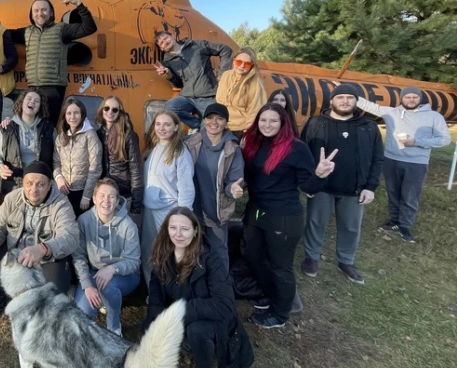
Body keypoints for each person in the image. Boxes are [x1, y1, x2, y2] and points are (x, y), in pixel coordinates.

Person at [241, 103, 337, 328]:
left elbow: (308, 187)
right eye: (263, 120)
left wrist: (320, 174)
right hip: (257, 210)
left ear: (283, 123)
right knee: (253, 255)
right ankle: (269, 294)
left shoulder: (296, 148)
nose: (267, 125)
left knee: (280, 265)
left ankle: (281, 313)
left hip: (282, 215)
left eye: (273, 121)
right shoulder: (254, 143)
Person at [143, 207, 254, 368]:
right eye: (173, 228)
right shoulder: (162, 257)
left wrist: (180, 312)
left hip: (216, 319)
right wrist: (155, 322)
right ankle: (185, 348)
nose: (178, 234)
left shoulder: (211, 260)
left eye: (185, 229)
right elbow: (156, 298)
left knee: (196, 330)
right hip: (185, 316)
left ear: (195, 231)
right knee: (149, 327)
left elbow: (225, 305)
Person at [0, 161, 79, 324]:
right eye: (29, 183)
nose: (33, 189)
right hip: (15, 250)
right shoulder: (11, 198)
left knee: (55, 292)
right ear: (23, 183)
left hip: (46, 256)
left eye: (40, 184)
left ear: (50, 185)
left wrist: (43, 248)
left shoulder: (61, 204)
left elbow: (70, 237)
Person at [299, 84, 383, 284]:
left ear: (356, 101)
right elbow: (302, 154)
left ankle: (346, 260)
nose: (345, 101)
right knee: (315, 222)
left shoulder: (368, 126)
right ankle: (311, 257)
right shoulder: (316, 122)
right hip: (322, 186)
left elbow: (377, 158)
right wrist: (308, 182)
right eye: (340, 97)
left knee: (351, 227)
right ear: (332, 101)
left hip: (354, 188)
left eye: (349, 97)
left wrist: (370, 187)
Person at [349, 84, 451, 243]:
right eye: (407, 97)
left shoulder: (434, 117)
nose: (411, 100)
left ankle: (405, 225)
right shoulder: (392, 112)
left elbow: (444, 139)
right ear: (402, 98)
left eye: (414, 97)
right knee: (393, 192)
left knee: (410, 195)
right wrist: (347, 90)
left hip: (416, 162)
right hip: (391, 159)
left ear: (420, 99)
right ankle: (394, 221)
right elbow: (368, 105)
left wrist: (416, 142)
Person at [7, 0, 97, 125]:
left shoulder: (61, 29)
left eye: (44, 10)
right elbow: (4, 34)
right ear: (31, 15)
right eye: (36, 11)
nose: (40, 13)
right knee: (31, 125)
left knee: (48, 127)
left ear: (51, 13)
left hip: (53, 88)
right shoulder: (27, 32)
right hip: (33, 87)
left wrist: (78, 3)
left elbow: (89, 27)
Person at [72, 179, 140, 335]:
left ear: (117, 201)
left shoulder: (128, 225)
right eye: (102, 195)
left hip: (124, 274)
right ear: (94, 198)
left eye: (111, 196)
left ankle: (113, 325)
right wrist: (87, 285)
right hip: (94, 272)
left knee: (108, 287)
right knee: (83, 310)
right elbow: (79, 256)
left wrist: (112, 269)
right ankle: (104, 299)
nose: (106, 200)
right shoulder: (83, 221)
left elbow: (134, 261)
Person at [184, 103, 244, 268]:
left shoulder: (232, 150)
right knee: (191, 251)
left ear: (226, 123)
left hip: (216, 212)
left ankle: (221, 282)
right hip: (192, 209)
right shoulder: (189, 144)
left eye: (220, 118)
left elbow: (234, 181)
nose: (214, 122)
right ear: (204, 120)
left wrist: (233, 189)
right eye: (210, 118)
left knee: (218, 252)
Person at [140, 110, 195, 285]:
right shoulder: (153, 148)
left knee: (167, 252)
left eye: (167, 124)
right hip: (149, 209)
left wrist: (183, 216)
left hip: (168, 211)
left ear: (176, 127)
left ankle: (171, 288)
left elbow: (186, 187)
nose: (161, 128)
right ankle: (152, 289)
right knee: (149, 250)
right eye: (158, 124)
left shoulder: (180, 152)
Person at [152, 32, 233, 132]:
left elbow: (225, 50)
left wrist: (223, 75)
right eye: (161, 43)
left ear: (172, 36)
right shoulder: (167, 62)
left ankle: (203, 129)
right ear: (161, 48)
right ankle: (197, 125)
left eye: (165, 38)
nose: (165, 42)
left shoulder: (196, 45)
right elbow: (178, 84)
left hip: (208, 95)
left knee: (209, 130)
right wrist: (169, 76)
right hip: (188, 97)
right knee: (169, 107)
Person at [0, 88, 56, 196]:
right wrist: (0, 167)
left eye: (36, 101)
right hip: (13, 184)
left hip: (38, 186)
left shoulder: (49, 129)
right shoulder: (7, 128)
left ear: (40, 107)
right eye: (29, 99)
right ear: (21, 102)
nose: (32, 102)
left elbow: (56, 158)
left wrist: (54, 177)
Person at [95, 95, 144, 229]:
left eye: (115, 109)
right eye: (106, 108)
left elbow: (136, 171)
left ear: (120, 112)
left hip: (123, 196)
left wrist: (136, 205)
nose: (110, 112)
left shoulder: (128, 136)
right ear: (102, 110)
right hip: (105, 197)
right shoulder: (98, 134)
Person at [54, 97, 103, 219]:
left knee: (82, 223)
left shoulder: (90, 135)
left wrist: (86, 196)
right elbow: (56, 162)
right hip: (64, 191)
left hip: (82, 191)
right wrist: (59, 178)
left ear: (82, 114)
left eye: (76, 113)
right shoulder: (61, 137)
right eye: (69, 113)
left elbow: (95, 168)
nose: (72, 117)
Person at [216, 47, 267, 136]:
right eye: (239, 62)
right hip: (220, 124)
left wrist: (248, 129)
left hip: (239, 129)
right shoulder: (226, 75)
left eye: (247, 64)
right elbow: (220, 100)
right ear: (233, 61)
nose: (242, 66)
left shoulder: (256, 84)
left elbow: (256, 110)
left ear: (252, 65)